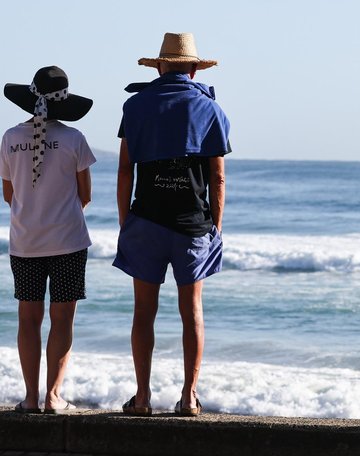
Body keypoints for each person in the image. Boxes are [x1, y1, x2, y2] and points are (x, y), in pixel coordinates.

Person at [114, 32, 231, 417]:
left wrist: (124, 220)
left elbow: (124, 171)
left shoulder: (135, 106)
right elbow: (217, 178)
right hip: (191, 225)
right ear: (194, 69)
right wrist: (215, 225)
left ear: (160, 66)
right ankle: (189, 396)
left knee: (143, 312)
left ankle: (143, 396)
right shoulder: (210, 109)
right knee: (191, 311)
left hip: (145, 219)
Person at [1, 66, 95, 414]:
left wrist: (34, 210)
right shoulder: (74, 139)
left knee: (27, 319)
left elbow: (8, 194)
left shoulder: (10, 137)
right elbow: (85, 195)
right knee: (62, 320)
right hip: (68, 241)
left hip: (25, 242)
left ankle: (29, 397)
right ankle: (53, 397)